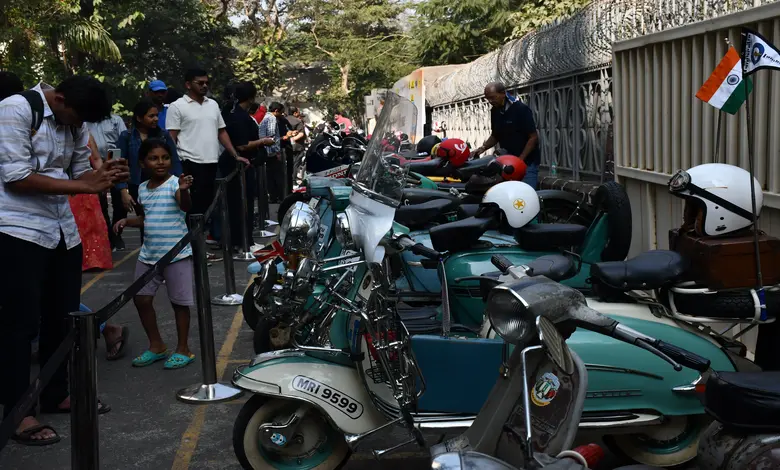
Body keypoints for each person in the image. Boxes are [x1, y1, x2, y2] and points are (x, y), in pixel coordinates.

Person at [0, 76, 126, 445]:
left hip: (61, 230)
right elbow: (16, 177)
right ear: (60, 98)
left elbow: (76, 173)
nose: (77, 126)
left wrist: (103, 177)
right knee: (18, 325)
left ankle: (56, 394)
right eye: (75, 117)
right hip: (17, 230)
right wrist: (85, 186)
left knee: (63, 317)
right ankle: (18, 411)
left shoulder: (77, 119)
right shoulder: (14, 110)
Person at [113, 139, 196, 369]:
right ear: (143, 162)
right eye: (153, 158)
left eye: (165, 158)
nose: (160, 162)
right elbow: (146, 219)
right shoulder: (142, 188)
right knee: (141, 298)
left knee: (179, 303)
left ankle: (183, 349)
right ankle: (156, 345)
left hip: (175, 254)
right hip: (149, 254)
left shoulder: (173, 185)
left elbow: (185, 207)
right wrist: (126, 221)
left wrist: (184, 190)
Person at [165, 68, 246, 262]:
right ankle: (191, 250)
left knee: (206, 210)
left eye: (206, 82)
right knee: (192, 210)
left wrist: (235, 155)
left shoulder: (213, 105)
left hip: (211, 163)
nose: (204, 86)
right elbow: (171, 138)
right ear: (188, 84)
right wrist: (173, 166)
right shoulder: (177, 107)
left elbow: (222, 132)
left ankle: (197, 249)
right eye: (199, 82)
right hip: (189, 163)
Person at [115, 98, 182, 240]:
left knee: (165, 219)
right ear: (139, 118)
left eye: (157, 115)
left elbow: (174, 160)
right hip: (137, 185)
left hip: (163, 184)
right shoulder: (126, 137)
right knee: (145, 222)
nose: (156, 119)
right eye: (151, 116)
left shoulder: (163, 136)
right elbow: (118, 165)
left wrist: (180, 184)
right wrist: (123, 191)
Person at [221, 82, 275, 251]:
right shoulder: (238, 116)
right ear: (251, 97)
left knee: (242, 204)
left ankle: (243, 240)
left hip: (239, 164)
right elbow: (243, 145)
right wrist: (263, 141)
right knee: (242, 205)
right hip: (240, 165)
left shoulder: (231, 113)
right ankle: (243, 242)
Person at [472, 82, 540, 189]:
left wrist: (520, 159)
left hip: (527, 162)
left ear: (503, 94)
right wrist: (482, 148)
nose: (490, 101)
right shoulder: (495, 111)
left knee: (526, 194)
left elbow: (533, 137)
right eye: (488, 99)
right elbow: (496, 135)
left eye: (493, 98)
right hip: (507, 163)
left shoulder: (520, 109)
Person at [86, 111, 127, 250]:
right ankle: (109, 236)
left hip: (114, 162)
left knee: (119, 200)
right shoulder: (83, 123)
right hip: (90, 168)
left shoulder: (115, 120)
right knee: (100, 205)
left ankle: (117, 233)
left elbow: (123, 139)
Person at [259, 102, 284, 202]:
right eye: (281, 112)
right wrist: (277, 152)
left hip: (266, 151)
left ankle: (273, 197)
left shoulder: (265, 117)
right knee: (277, 176)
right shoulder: (272, 118)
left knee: (270, 176)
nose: (281, 115)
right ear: (276, 111)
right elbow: (271, 136)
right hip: (271, 152)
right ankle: (278, 197)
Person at [285, 107, 306, 191]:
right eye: (298, 112)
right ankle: (293, 181)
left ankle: (287, 182)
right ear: (295, 113)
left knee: (287, 164)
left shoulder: (284, 119)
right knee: (295, 164)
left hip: (286, 146)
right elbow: (301, 134)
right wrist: (292, 139)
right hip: (297, 147)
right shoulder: (298, 121)